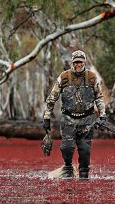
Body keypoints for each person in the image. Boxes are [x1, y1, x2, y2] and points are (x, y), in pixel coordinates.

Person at [42, 50, 106, 179]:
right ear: (72, 62)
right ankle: (68, 167)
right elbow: (52, 98)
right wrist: (46, 117)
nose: (78, 65)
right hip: (68, 120)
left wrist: (102, 116)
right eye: (76, 62)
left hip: (87, 121)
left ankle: (83, 174)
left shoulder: (92, 77)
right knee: (66, 148)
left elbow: (99, 98)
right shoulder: (64, 77)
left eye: (80, 62)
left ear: (84, 63)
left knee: (85, 150)